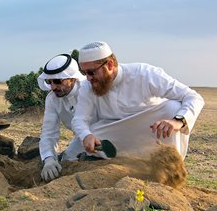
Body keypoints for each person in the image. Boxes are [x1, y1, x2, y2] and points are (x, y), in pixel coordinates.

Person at [72, 41, 204, 159]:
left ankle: (170, 163)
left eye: (91, 72)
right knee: (90, 133)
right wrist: (86, 135)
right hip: (116, 131)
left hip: (150, 131)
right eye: (84, 73)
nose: (88, 78)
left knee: (173, 108)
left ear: (110, 65)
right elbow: (79, 119)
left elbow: (193, 97)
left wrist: (178, 121)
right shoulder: (87, 86)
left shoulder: (144, 73)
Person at [37, 53, 88, 182]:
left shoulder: (89, 90)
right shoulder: (52, 99)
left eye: (58, 81)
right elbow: (49, 133)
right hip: (81, 140)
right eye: (50, 81)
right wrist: (48, 159)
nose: (53, 87)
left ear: (72, 78)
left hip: (105, 135)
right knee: (65, 162)